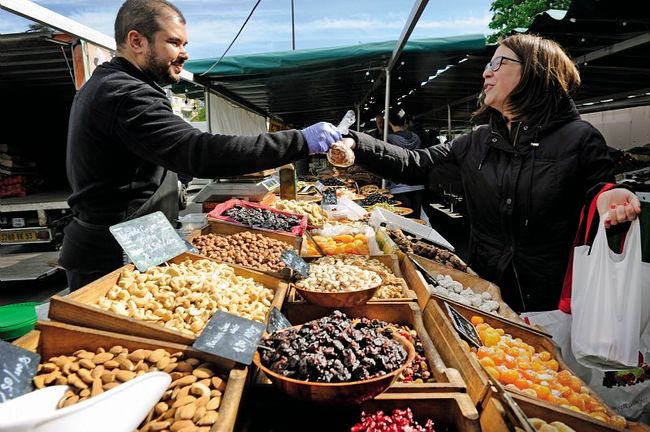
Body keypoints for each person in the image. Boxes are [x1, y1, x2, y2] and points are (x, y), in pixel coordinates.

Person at [330, 34, 640, 312]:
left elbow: (599, 191)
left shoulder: (579, 138)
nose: (485, 72)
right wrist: (357, 143)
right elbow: (415, 163)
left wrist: (609, 198)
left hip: (552, 304)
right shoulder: (477, 140)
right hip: (485, 295)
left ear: (534, 70)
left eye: (498, 62)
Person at [60, 0, 340, 290]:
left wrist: (170, 174)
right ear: (136, 41)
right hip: (114, 252)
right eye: (174, 42)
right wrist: (299, 140)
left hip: (133, 239)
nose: (185, 53)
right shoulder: (125, 93)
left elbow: (147, 153)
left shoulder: (111, 84)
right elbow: (198, 152)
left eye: (185, 43)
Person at [384, 109, 425, 219]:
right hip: (417, 183)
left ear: (389, 122)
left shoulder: (388, 139)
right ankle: (417, 236)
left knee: (403, 220)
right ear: (405, 121)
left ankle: (406, 236)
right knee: (416, 218)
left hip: (398, 186)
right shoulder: (416, 138)